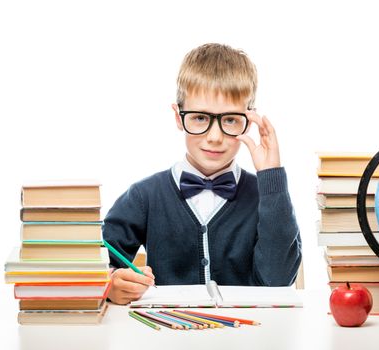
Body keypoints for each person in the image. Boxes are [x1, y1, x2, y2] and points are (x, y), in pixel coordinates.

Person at [103, 43, 302, 305]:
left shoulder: (265, 195)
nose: (215, 137)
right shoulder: (144, 196)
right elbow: (95, 259)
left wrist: (271, 178)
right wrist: (110, 283)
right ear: (178, 116)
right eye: (199, 118)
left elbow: (278, 281)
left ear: (250, 119)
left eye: (230, 120)